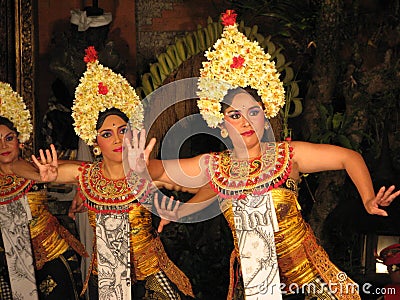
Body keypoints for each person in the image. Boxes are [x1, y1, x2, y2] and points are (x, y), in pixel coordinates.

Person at [127, 10, 400, 300]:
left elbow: (349, 157)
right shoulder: (216, 167)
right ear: (220, 125)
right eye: (234, 115)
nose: (245, 122)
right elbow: (163, 172)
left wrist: (368, 198)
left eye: (252, 112)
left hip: (306, 281)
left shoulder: (288, 155)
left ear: (265, 117)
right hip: (255, 284)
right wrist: (142, 168)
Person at [12, 47, 194, 300]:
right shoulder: (87, 175)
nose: (118, 139)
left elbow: (196, 176)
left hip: (148, 276)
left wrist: (182, 209)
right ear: (95, 141)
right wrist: (46, 174)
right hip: (108, 279)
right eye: (107, 134)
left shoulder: (145, 169)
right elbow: (39, 171)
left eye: (122, 130)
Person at [0, 81, 88, 299]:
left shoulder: (36, 166)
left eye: (9, 138)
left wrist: (82, 190)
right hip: (10, 267)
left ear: (19, 141)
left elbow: (82, 171)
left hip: (52, 259)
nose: (3, 146)